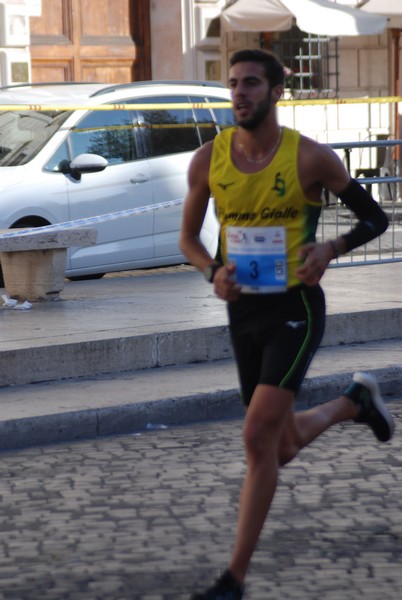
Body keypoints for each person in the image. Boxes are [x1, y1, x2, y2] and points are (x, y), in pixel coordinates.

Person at [179, 48, 394, 600]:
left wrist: (332, 246)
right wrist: (212, 274)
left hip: (295, 309)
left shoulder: (310, 159)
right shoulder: (208, 160)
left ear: (277, 91)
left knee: (257, 437)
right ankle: (353, 404)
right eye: (233, 84)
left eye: (251, 83)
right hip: (242, 309)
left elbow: (376, 217)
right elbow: (187, 241)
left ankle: (233, 580)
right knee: (279, 446)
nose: (239, 93)